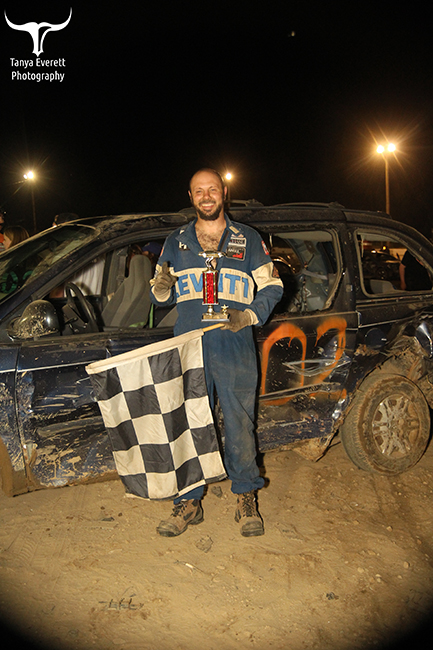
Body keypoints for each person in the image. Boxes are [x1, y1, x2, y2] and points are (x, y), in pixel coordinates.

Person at [150, 168, 283, 537]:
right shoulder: (176, 241)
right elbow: (160, 296)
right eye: (199, 191)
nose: (206, 196)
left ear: (224, 192)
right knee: (189, 421)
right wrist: (160, 287)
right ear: (190, 196)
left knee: (240, 421)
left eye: (212, 189)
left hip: (233, 342)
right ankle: (189, 500)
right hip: (189, 344)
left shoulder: (248, 239)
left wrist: (249, 316)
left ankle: (245, 496)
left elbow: (272, 286)